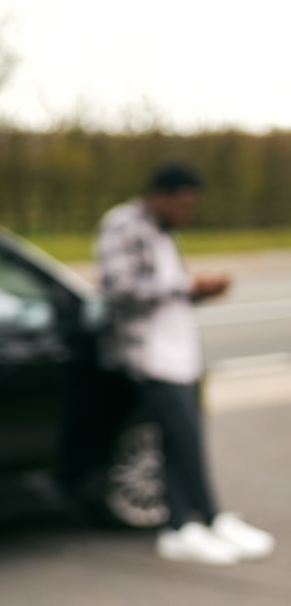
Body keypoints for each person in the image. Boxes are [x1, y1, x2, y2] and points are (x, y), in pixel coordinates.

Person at [94, 161, 275, 566]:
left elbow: (165, 293)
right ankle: (195, 519)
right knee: (181, 439)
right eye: (182, 203)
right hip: (148, 356)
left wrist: (197, 293)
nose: (186, 213)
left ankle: (191, 522)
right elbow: (119, 289)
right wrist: (187, 285)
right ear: (160, 195)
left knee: (182, 440)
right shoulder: (125, 225)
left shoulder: (163, 232)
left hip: (181, 356)